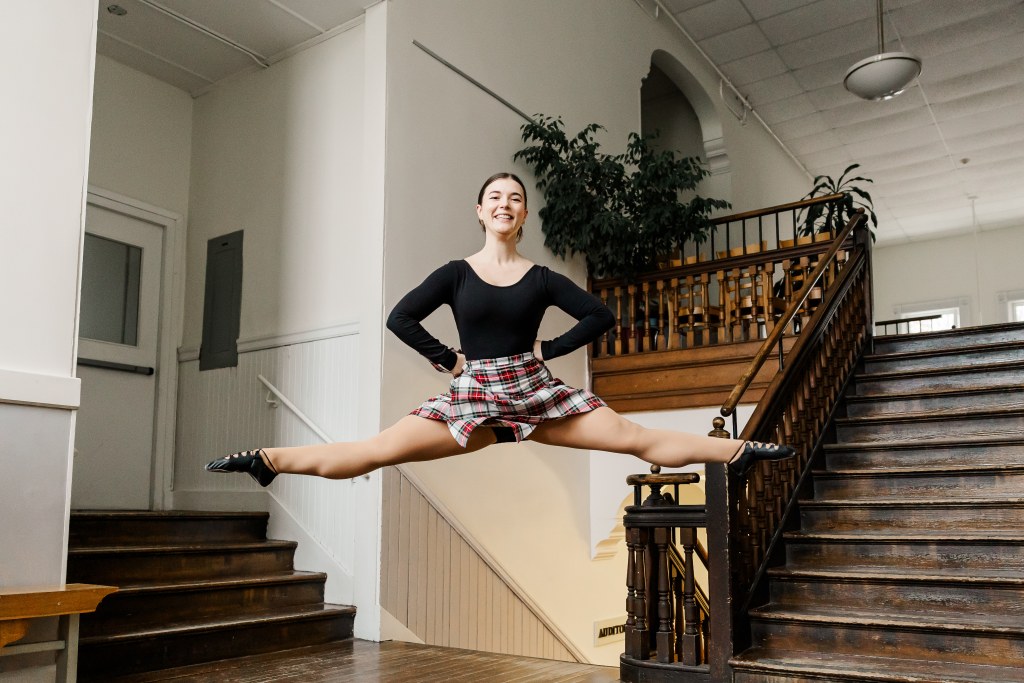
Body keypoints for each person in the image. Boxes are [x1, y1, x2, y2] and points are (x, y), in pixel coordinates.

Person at [206, 172, 793, 487]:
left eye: (515, 198)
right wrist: (450, 361)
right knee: (380, 450)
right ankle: (269, 461)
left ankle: (737, 452)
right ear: (481, 212)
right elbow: (400, 318)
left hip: (536, 394)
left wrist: (549, 348)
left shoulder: (541, 278)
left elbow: (601, 315)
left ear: (523, 215)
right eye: (495, 198)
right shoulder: (456, 274)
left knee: (633, 435)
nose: (505, 204)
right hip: (474, 395)